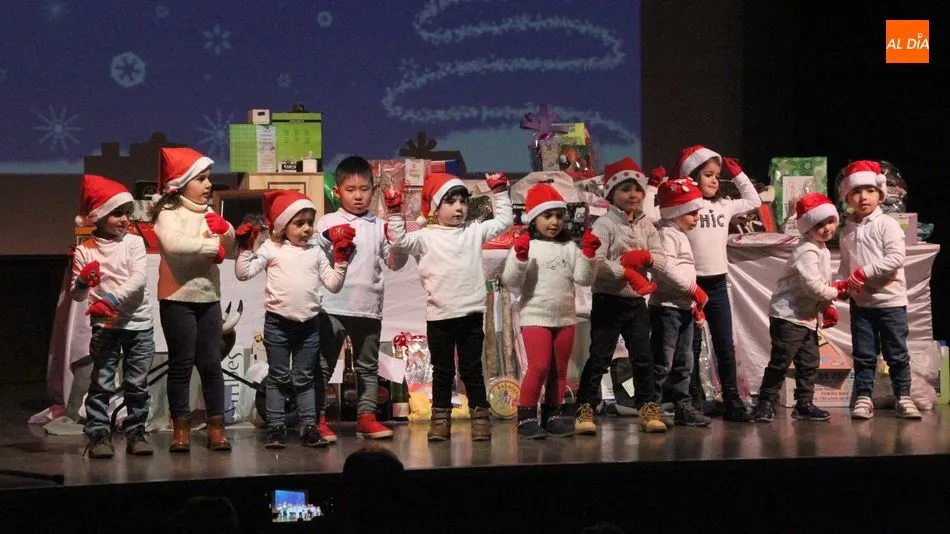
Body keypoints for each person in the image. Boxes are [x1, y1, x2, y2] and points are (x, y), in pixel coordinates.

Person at [386, 172, 513, 441]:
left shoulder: (473, 231)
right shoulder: (426, 237)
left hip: (470, 313)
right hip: (440, 315)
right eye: (450, 202)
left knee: (471, 369)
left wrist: (500, 191)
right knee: (443, 371)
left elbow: (504, 221)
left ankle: (481, 417)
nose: (459, 208)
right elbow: (399, 241)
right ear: (435, 207)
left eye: (462, 202)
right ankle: (440, 419)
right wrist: (395, 212)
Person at [235, 190, 355, 448]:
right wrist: (245, 248)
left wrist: (342, 260)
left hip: (309, 325)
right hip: (278, 324)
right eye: (299, 223)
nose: (307, 229)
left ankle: (308, 428)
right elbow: (243, 274)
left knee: (304, 377)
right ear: (282, 226)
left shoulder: (315, 252)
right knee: (279, 376)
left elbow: (333, 285)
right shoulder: (271, 248)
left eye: (310, 223)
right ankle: (276, 428)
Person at [315, 156, 409, 442]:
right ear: (337, 192)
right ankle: (315, 417)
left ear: (374, 190)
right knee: (323, 364)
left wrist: (397, 237)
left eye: (364, 189)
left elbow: (394, 262)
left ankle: (366, 417)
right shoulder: (327, 221)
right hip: (333, 305)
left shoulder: (379, 225)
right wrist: (332, 238)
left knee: (367, 366)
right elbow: (316, 250)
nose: (358, 196)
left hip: (368, 308)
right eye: (350, 189)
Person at [575, 157, 670, 435]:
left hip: (636, 302)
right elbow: (596, 263)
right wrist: (624, 269)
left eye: (638, 189)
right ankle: (585, 409)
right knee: (600, 356)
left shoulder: (647, 226)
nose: (633, 195)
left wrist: (648, 258)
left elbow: (663, 259)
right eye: (625, 189)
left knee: (643, 357)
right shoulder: (605, 225)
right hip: (608, 300)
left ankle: (648, 407)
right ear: (612, 194)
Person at [152, 147, 234, 452]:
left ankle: (216, 427)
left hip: (208, 297)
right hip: (177, 298)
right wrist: (211, 247)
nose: (208, 185)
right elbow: (174, 245)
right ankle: (181, 428)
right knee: (182, 364)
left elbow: (228, 243)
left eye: (209, 178)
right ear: (183, 182)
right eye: (201, 179)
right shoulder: (168, 213)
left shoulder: (210, 213)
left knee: (212, 364)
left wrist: (227, 232)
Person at [502, 183, 599, 439]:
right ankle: (526, 417)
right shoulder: (527, 246)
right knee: (539, 366)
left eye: (558, 216)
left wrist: (589, 255)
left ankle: (553, 415)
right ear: (533, 219)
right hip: (535, 316)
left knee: (559, 369)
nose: (554, 222)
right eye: (548, 216)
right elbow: (512, 281)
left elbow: (583, 279)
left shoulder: (568, 247)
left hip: (565, 317)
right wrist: (520, 259)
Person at [71, 175, 155, 458]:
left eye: (127, 213)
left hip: (138, 324)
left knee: (137, 384)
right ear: (99, 215)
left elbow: (138, 280)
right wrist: (83, 282)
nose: (124, 219)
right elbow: (78, 295)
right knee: (102, 382)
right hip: (105, 326)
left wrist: (110, 298)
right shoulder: (85, 250)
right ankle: (98, 434)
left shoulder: (133, 243)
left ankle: (136, 432)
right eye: (117, 213)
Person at [676, 145, 761, 422]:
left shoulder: (723, 206)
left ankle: (732, 399)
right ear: (692, 176)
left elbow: (753, 201)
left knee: (725, 344)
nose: (714, 180)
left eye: (717, 175)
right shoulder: (684, 208)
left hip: (717, 285)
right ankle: (692, 401)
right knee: (691, 347)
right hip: (691, 285)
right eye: (708, 175)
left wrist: (738, 175)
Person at [835, 160, 921, 420]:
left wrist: (864, 272)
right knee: (864, 354)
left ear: (880, 194)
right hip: (862, 305)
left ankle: (903, 396)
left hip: (891, 303)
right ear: (847, 196)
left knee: (896, 353)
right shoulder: (847, 230)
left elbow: (895, 258)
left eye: (870, 191)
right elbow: (845, 265)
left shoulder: (888, 224)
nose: (863, 197)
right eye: (856, 192)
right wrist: (839, 286)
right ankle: (863, 397)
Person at [753, 193, 842, 422]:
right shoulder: (807, 251)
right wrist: (837, 293)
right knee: (781, 361)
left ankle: (804, 403)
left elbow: (821, 283)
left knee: (809, 362)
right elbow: (813, 286)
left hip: (807, 317)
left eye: (829, 222)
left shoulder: (821, 248)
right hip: (788, 316)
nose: (825, 228)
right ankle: (765, 402)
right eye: (818, 224)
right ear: (807, 228)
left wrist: (826, 306)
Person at [650, 178, 711, 427]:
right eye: (692, 213)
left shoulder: (680, 234)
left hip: (683, 307)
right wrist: (693, 289)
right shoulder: (666, 235)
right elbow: (666, 268)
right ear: (676, 212)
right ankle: (651, 406)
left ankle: (682, 405)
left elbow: (684, 269)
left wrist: (693, 301)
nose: (697, 217)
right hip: (666, 308)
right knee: (662, 361)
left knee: (684, 361)